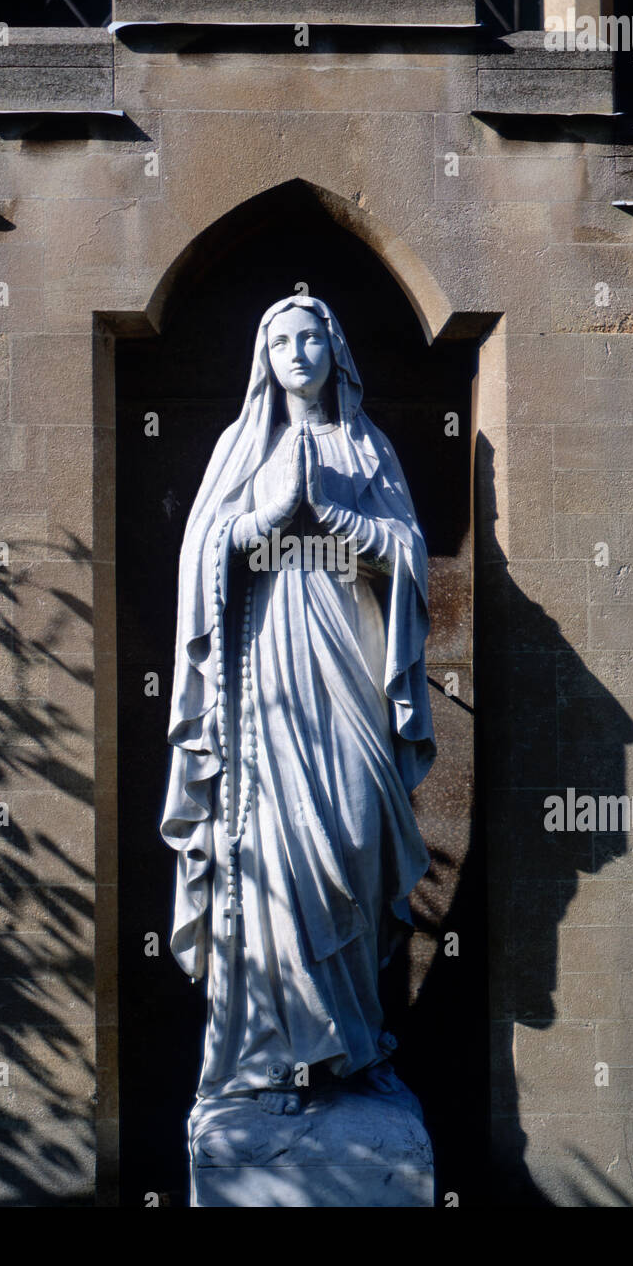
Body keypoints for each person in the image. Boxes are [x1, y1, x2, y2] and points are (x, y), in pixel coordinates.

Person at [160, 295, 435, 1114]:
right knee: (271, 850)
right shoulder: (241, 446)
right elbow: (202, 554)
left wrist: (348, 521)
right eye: (278, 339)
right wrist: (262, 521)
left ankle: (351, 1049)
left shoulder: (368, 446)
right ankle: (275, 1057)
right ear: (263, 357)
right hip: (265, 677)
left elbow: (410, 552)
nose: (296, 351)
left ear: (335, 347)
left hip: (349, 667)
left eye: (311, 335)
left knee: (354, 839)